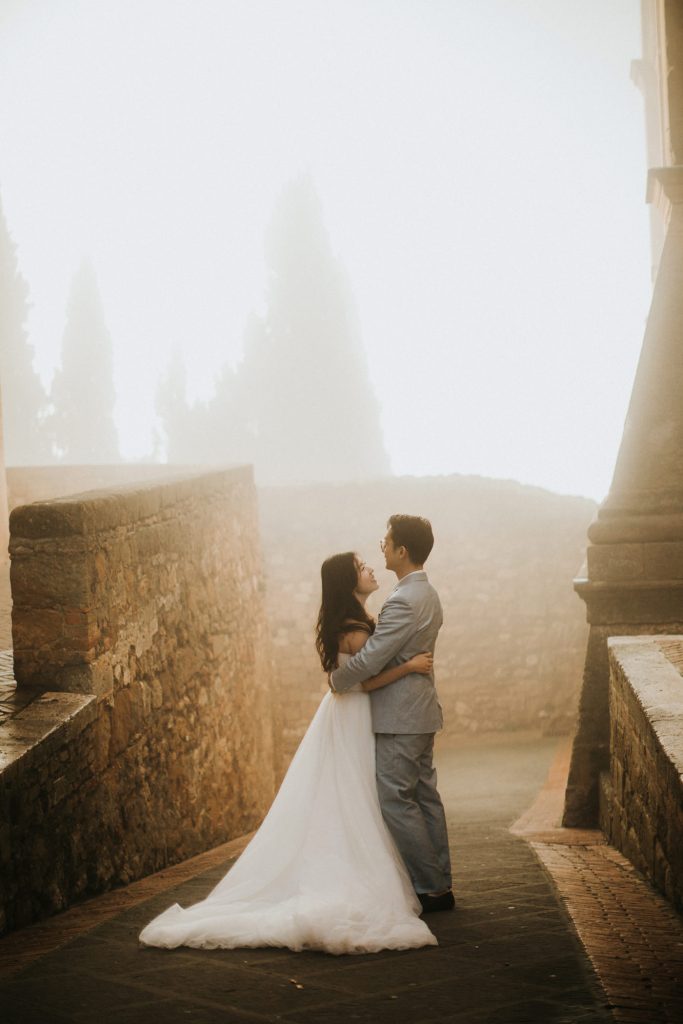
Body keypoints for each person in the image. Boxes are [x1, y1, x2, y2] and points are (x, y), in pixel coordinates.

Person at [139, 550, 437, 955]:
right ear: (348, 582)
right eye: (361, 568)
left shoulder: (351, 621)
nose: (370, 569)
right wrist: (411, 666)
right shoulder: (353, 628)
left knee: (349, 792)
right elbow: (355, 683)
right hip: (353, 711)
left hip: (345, 714)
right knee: (356, 792)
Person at [329, 514, 454, 914]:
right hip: (419, 712)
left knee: (395, 800)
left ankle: (430, 885)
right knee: (424, 797)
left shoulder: (403, 600)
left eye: (386, 541)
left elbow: (371, 658)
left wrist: (337, 679)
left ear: (402, 550)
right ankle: (441, 884)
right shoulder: (426, 593)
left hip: (401, 716)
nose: (380, 546)